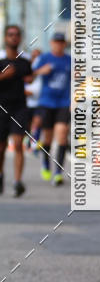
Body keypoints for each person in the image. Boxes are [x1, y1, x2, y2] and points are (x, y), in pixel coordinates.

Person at [35, 32, 71, 186]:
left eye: (61, 42)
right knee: (47, 138)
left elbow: (79, 80)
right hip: (46, 103)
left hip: (64, 103)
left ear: (64, 44)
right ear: (51, 43)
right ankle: (45, 164)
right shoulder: (44, 59)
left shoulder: (70, 60)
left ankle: (58, 172)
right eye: (56, 42)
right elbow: (31, 74)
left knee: (62, 135)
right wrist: (40, 71)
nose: (58, 44)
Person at [0, 25, 32, 197]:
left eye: (17, 35)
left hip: (20, 107)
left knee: (18, 143)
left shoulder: (25, 63)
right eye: (10, 34)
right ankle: (1, 175)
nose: (13, 37)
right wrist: (3, 76)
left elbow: (31, 79)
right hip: (1, 108)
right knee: (1, 148)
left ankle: (18, 181)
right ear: (5, 38)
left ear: (20, 39)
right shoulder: (0, 61)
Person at [25, 48, 43, 152]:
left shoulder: (41, 71)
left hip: (38, 102)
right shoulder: (26, 68)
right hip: (26, 103)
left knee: (37, 123)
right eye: (33, 56)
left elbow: (37, 90)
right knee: (27, 124)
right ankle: (29, 141)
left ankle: (34, 142)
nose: (35, 58)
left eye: (37, 56)